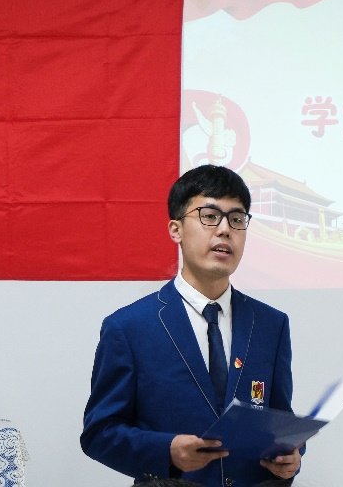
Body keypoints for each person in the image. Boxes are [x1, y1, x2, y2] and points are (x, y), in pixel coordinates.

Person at [81, 165, 302, 486]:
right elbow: (99, 432)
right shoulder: (128, 328)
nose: (225, 230)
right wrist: (166, 451)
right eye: (209, 216)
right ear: (176, 230)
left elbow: (280, 418)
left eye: (237, 219)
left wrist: (291, 456)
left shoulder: (271, 324)